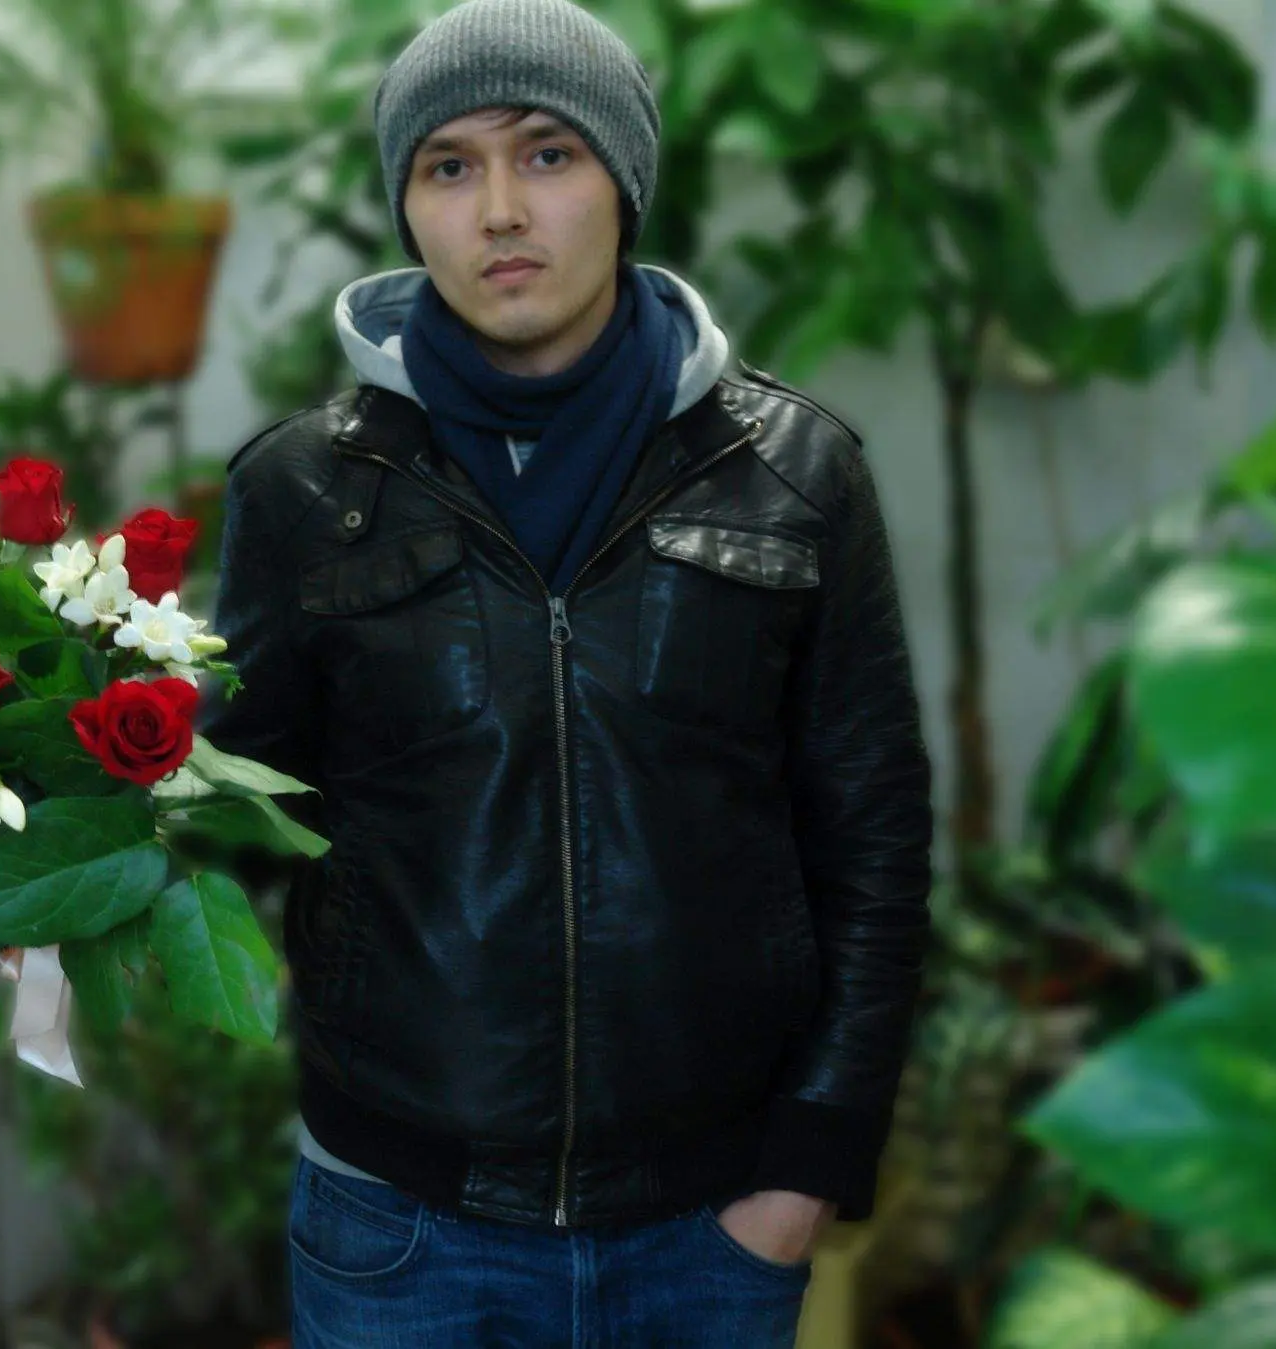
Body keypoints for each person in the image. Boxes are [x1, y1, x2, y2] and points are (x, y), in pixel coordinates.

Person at [195, 0, 935, 1342]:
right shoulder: (307, 489)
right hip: (401, 1226)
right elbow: (239, 813)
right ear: (408, 207)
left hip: (709, 1228)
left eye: (548, 154)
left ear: (624, 182)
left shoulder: (790, 473)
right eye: (449, 166)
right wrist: (52, 838)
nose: (499, 212)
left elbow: (873, 842)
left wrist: (806, 1172)